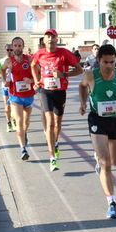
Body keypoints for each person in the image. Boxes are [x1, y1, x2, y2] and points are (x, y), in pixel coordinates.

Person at [79, 44, 116, 219]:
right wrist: (83, 103)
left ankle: (101, 162)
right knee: (106, 164)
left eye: (112, 62)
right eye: (106, 62)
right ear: (99, 61)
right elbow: (83, 87)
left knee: (115, 161)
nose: (109, 65)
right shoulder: (90, 75)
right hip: (97, 119)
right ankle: (112, 202)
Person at [31, 29, 83, 172]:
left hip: (60, 91)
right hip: (45, 91)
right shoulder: (39, 53)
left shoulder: (64, 53)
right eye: (48, 37)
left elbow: (80, 70)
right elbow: (32, 65)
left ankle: (56, 141)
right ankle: (52, 158)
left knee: (57, 124)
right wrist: (36, 81)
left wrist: (63, 74)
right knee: (49, 122)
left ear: (56, 39)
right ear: (44, 39)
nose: (50, 40)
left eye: (53, 37)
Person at [0, 37, 35, 161]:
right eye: (15, 45)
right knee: (19, 121)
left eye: (20, 45)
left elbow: (39, 74)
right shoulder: (8, 61)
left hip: (29, 95)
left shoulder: (29, 59)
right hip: (15, 96)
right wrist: (5, 81)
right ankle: (23, 149)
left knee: (26, 122)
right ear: (12, 47)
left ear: (23, 47)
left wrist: (31, 80)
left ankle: (24, 134)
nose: (17, 48)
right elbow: (1, 70)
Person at [0, 43, 15, 132]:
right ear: (5, 50)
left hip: (15, 86)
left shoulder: (16, 59)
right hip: (5, 87)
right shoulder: (1, 61)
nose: (10, 51)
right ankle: (8, 123)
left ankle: (14, 120)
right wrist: (4, 77)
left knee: (15, 106)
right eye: (8, 50)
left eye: (11, 50)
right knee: (7, 106)